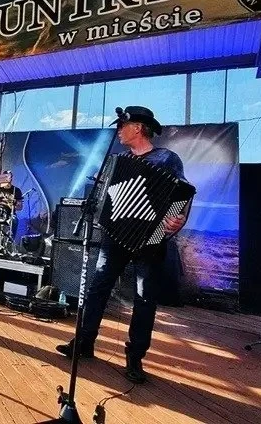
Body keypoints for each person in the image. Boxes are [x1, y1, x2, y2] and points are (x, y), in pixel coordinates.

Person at [55, 106, 188, 384]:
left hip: (150, 237)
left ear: (138, 127)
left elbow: (183, 193)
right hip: (117, 235)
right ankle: (85, 342)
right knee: (98, 286)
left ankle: (135, 357)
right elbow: (108, 197)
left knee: (144, 297)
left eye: (122, 126)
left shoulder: (167, 159)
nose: (118, 130)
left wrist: (179, 219)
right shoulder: (118, 161)